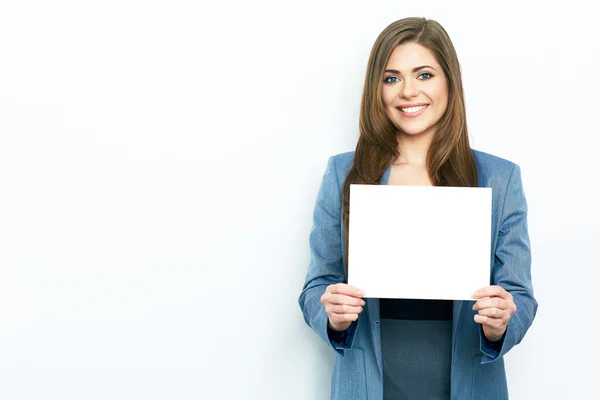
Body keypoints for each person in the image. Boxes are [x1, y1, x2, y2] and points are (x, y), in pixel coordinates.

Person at [298, 17, 537, 400]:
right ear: (377, 89)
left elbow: (520, 295)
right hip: (369, 382)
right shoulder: (344, 173)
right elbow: (316, 286)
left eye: (424, 75)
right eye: (391, 78)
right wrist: (329, 311)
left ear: (449, 82)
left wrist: (502, 321)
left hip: (466, 382)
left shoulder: (499, 178)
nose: (408, 91)